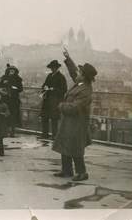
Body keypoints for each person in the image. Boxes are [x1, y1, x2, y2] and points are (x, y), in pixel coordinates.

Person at [52, 49, 97, 181]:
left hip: (77, 123)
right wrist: (68, 57)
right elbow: (73, 71)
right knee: (65, 144)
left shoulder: (86, 90)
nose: (78, 73)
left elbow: (75, 107)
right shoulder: (80, 83)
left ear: (84, 76)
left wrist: (61, 106)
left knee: (76, 147)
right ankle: (67, 170)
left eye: (80, 72)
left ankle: (82, 172)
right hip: (70, 121)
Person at [40, 60, 67, 139]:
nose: (52, 69)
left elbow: (64, 89)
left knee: (54, 118)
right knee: (44, 117)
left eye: (54, 67)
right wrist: (45, 87)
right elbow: (44, 85)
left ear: (57, 68)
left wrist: (53, 89)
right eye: (51, 68)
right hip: (47, 100)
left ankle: (54, 135)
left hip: (55, 101)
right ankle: (45, 134)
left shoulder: (61, 77)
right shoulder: (49, 76)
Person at [0, 64, 23, 137]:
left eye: (13, 70)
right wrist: (3, 83)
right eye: (10, 70)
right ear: (8, 71)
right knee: (5, 114)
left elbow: (21, 89)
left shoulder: (18, 79)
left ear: (15, 71)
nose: (12, 71)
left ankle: (12, 131)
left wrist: (15, 88)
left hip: (14, 100)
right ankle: (5, 131)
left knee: (13, 115)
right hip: (5, 99)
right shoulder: (4, 78)